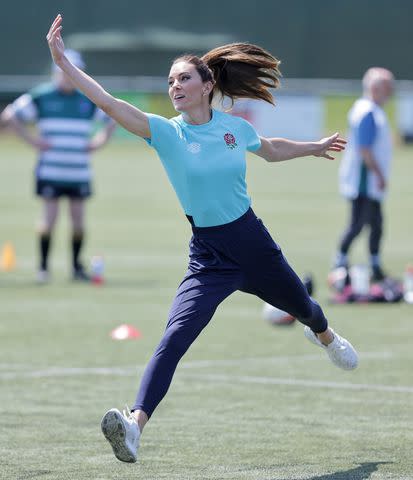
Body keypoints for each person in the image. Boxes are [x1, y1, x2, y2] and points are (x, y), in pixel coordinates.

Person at [47, 14, 358, 463]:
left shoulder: (233, 128)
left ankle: (326, 336)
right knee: (174, 337)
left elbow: (268, 149)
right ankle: (134, 426)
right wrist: (64, 64)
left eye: (183, 78)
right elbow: (111, 104)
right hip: (208, 257)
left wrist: (311, 147)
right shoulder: (166, 132)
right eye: (170, 80)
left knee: (306, 309)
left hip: (253, 244)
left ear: (206, 85)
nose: (174, 86)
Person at [0, 49, 116, 283]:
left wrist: (100, 141)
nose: (69, 76)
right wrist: (31, 140)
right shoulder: (42, 96)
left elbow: (112, 117)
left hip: (78, 171)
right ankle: (43, 268)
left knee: (78, 222)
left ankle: (76, 268)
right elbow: (10, 116)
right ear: (57, 72)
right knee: (48, 220)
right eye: (64, 71)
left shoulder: (88, 98)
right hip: (50, 170)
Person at [332, 67, 394, 282]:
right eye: (387, 86)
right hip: (364, 179)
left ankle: (375, 266)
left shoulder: (370, 109)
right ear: (375, 87)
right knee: (358, 223)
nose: (390, 91)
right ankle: (339, 262)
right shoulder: (368, 111)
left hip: (368, 179)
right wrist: (379, 175)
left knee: (376, 223)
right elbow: (365, 149)